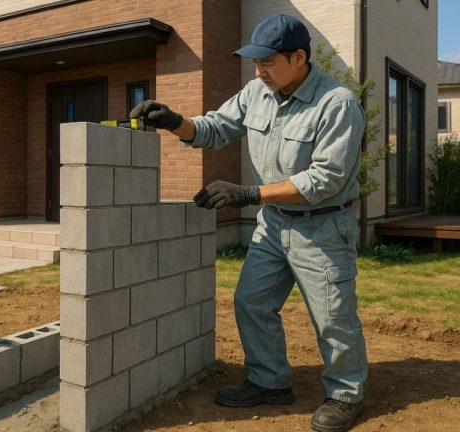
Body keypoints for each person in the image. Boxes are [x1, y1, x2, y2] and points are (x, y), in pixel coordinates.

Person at [131, 14, 367, 432]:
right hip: (274, 224)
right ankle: (270, 381)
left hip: (323, 226)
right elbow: (215, 128)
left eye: (267, 62)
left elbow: (324, 179)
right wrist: (173, 121)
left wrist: (249, 194)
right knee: (251, 301)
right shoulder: (257, 92)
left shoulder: (337, 104)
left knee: (332, 316)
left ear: (298, 58)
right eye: (255, 63)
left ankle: (346, 394)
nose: (258, 71)